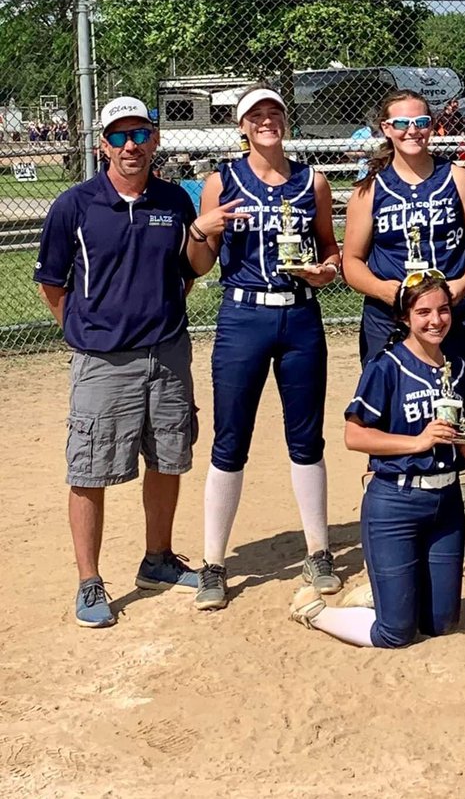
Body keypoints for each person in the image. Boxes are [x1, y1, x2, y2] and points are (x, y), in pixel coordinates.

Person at [34, 96, 200, 628]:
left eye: (141, 134)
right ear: (103, 144)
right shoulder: (75, 205)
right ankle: (89, 580)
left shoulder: (175, 201)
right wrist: (88, 334)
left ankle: (157, 560)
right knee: (89, 470)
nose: (132, 145)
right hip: (103, 360)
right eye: (120, 136)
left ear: (155, 139)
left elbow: (187, 271)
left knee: (169, 458)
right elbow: (52, 284)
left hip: (168, 353)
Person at [186, 86, 343, 612]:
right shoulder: (221, 180)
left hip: (299, 312)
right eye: (256, 116)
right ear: (242, 126)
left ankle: (318, 550)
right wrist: (199, 229)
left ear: (285, 122)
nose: (267, 122)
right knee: (230, 438)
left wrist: (325, 271)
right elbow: (203, 263)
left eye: (274, 113)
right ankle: (213, 562)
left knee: (306, 436)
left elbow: (329, 248)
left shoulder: (311, 181)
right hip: (243, 313)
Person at [342, 89, 465, 588]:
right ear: (385, 130)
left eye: (421, 122)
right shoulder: (370, 188)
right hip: (390, 318)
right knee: (389, 412)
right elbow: (351, 262)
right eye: (401, 124)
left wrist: (451, 290)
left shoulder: (457, 179)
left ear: (433, 126)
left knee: (461, 416)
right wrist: (393, 294)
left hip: (449, 314)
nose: (413, 131)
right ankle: (390, 532)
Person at [289, 273, 465, 645]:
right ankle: (316, 612)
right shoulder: (387, 365)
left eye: (443, 310)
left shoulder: (457, 368)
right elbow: (354, 436)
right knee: (395, 633)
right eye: (423, 311)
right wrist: (418, 442)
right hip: (396, 501)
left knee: (441, 624)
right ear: (404, 317)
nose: (436, 320)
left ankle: (381, 594)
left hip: (445, 503)